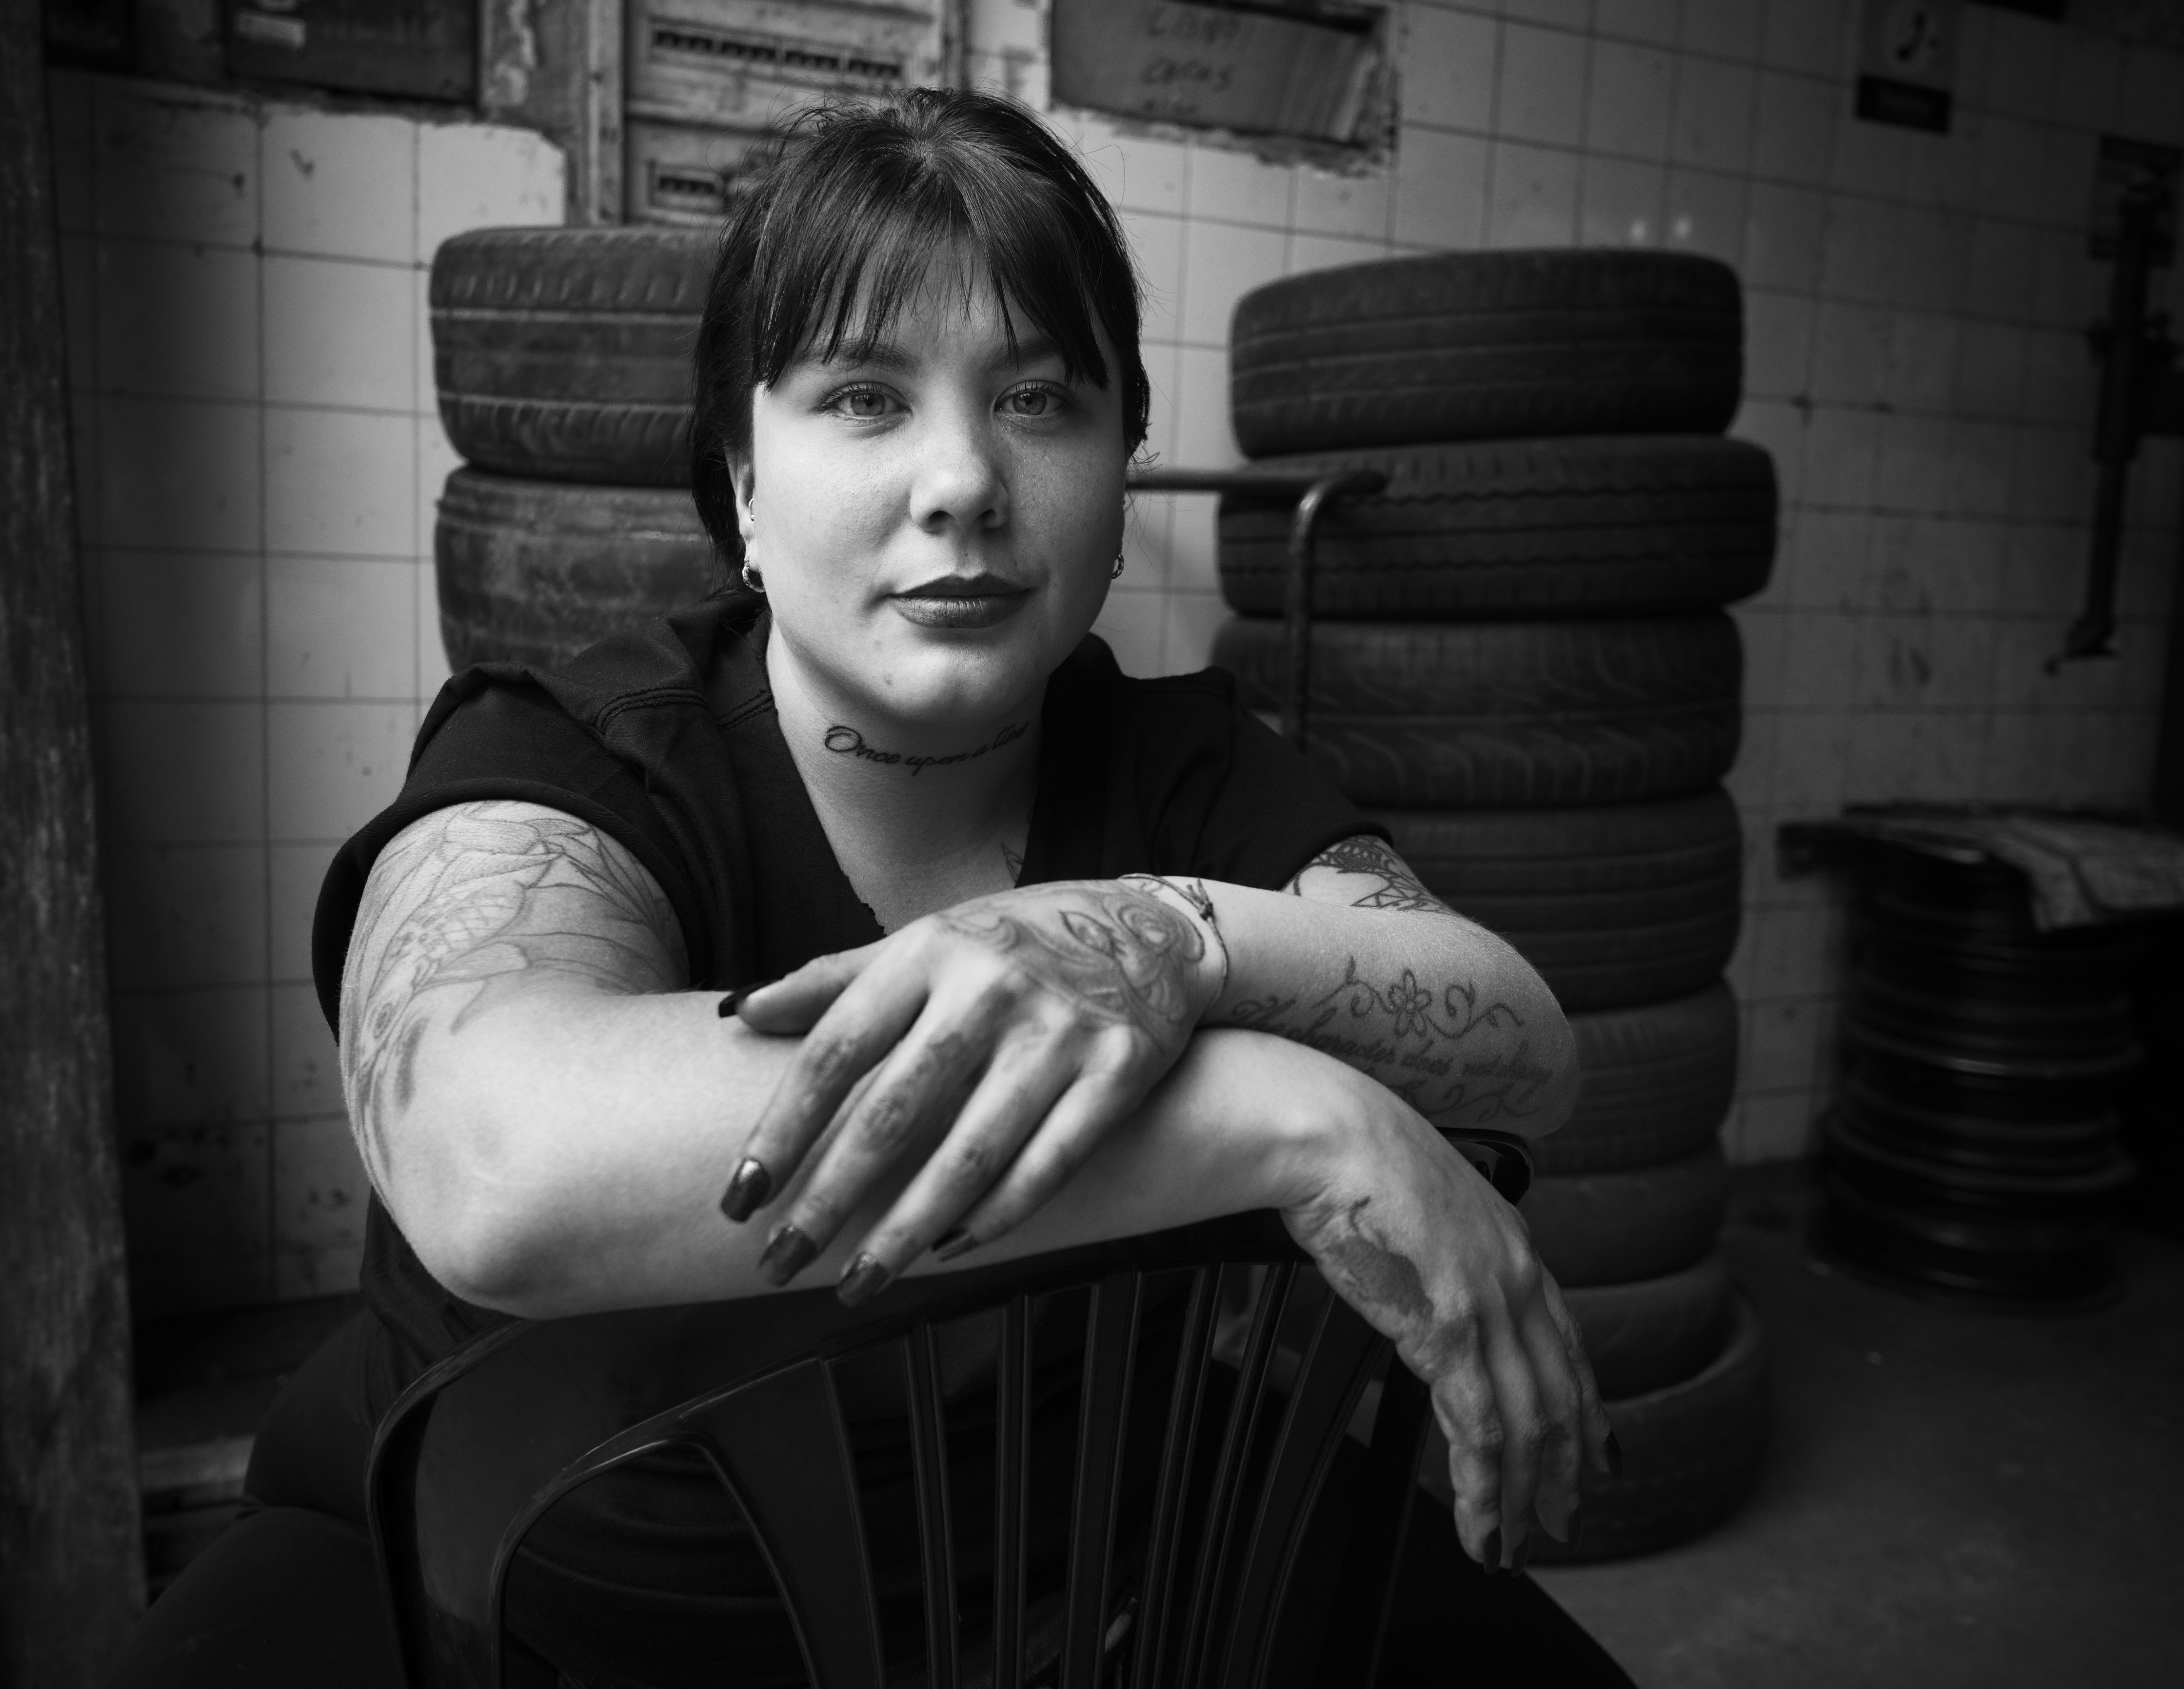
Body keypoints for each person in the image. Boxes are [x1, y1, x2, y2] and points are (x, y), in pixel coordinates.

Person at [110, 88, 1630, 1687]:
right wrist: (1292, 1117)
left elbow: (1527, 1048)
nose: (963, 477)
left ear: (1121, 475)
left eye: (1038, 398)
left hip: (1085, 1588)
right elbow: (497, 1169)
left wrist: (1165, 941)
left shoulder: (1182, 769)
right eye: (863, 397)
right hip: (535, 1628)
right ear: (743, 486)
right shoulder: (573, 762)